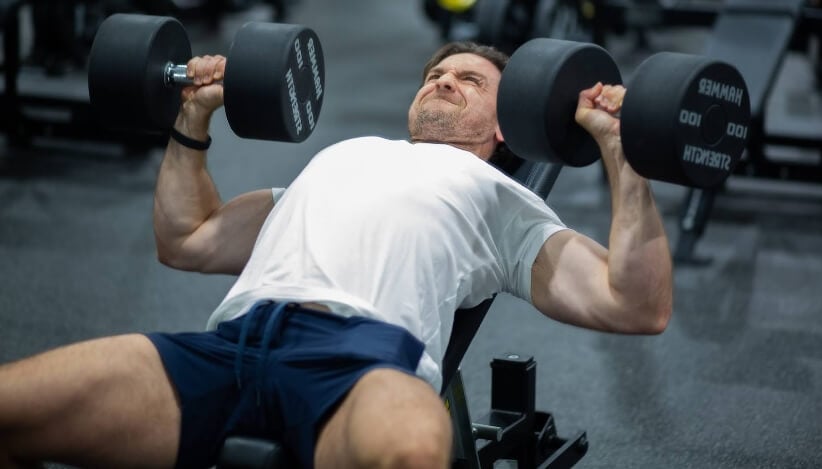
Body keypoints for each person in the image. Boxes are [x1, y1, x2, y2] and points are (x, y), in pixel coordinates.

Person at [0, 41, 672, 468]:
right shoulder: (341, 158)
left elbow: (635, 304)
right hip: (230, 347)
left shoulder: (500, 199)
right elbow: (186, 238)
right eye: (435, 74)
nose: (440, 82)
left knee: (410, 452)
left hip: (357, 361)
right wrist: (193, 118)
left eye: (468, 79)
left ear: (506, 122)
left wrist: (621, 151)